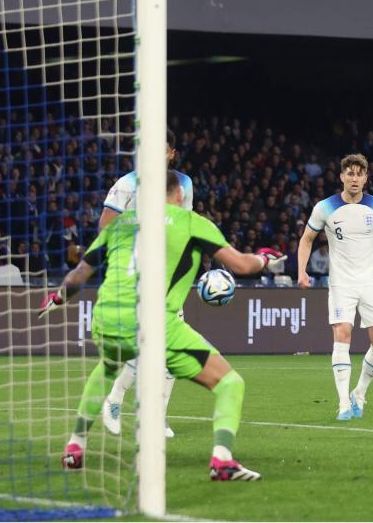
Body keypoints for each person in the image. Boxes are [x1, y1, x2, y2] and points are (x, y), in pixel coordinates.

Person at [42, 171, 282, 480]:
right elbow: (241, 265)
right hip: (154, 321)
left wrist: (57, 298)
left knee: (110, 364)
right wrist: (265, 259)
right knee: (229, 383)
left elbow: (78, 276)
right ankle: (222, 460)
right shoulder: (191, 222)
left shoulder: (119, 224)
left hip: (106, 317)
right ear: (179, 195)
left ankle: (76, 445)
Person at [99, 130, 192, 439]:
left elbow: (184, 227)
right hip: (134, 272)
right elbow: (105, 226)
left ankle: (154, 415)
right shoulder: (127, 183)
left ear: (171, 154)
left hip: (166, 275)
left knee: (171, 348)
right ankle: (114, 398)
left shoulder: (184, 185)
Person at [297, 154, 373, 420]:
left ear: (366, 178)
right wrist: (301, 270)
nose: (354, 178)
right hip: (341, 283)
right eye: (350, 173)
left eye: (359, 174)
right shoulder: (326, 207)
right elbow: (307, 239)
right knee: (342, 333)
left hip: (370, 282)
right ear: (342, 176)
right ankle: (343, 403)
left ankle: (359, 393)